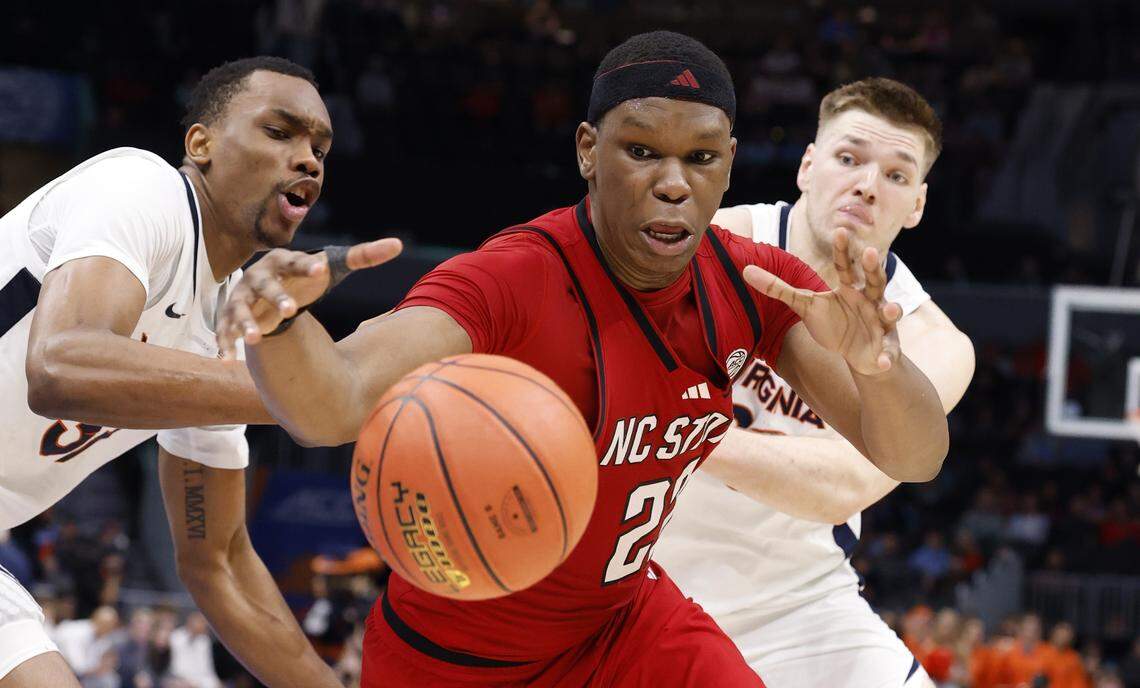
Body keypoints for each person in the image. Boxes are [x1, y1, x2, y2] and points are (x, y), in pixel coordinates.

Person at [217, 31, 948, 687]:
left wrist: (879, 366)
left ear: (727, 165)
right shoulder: (515, 277)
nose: (673, 181)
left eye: (698, 158)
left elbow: (910, 455)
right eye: (641, 152)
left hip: (623, 628)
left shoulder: (751, 282)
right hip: (454, 659)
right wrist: (279, 324)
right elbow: (334, 403)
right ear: (588, 152)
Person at [0, 57, 339, 687]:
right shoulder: (141, 188)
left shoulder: (230, 331)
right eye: (280, 132)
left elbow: (221, 562)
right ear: (200, 143)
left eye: (319, 146)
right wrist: (311, 394)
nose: (308, 159)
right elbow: (58, 364)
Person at [653, 78, 974, 687]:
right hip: (634, 576)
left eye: (897, 176)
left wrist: (674, 428)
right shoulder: (705, 244)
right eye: (849, 158)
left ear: (918, 205)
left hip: (795, 609)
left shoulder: (937, 345)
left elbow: (845, 483)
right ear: (807, 165)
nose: (867, 185)